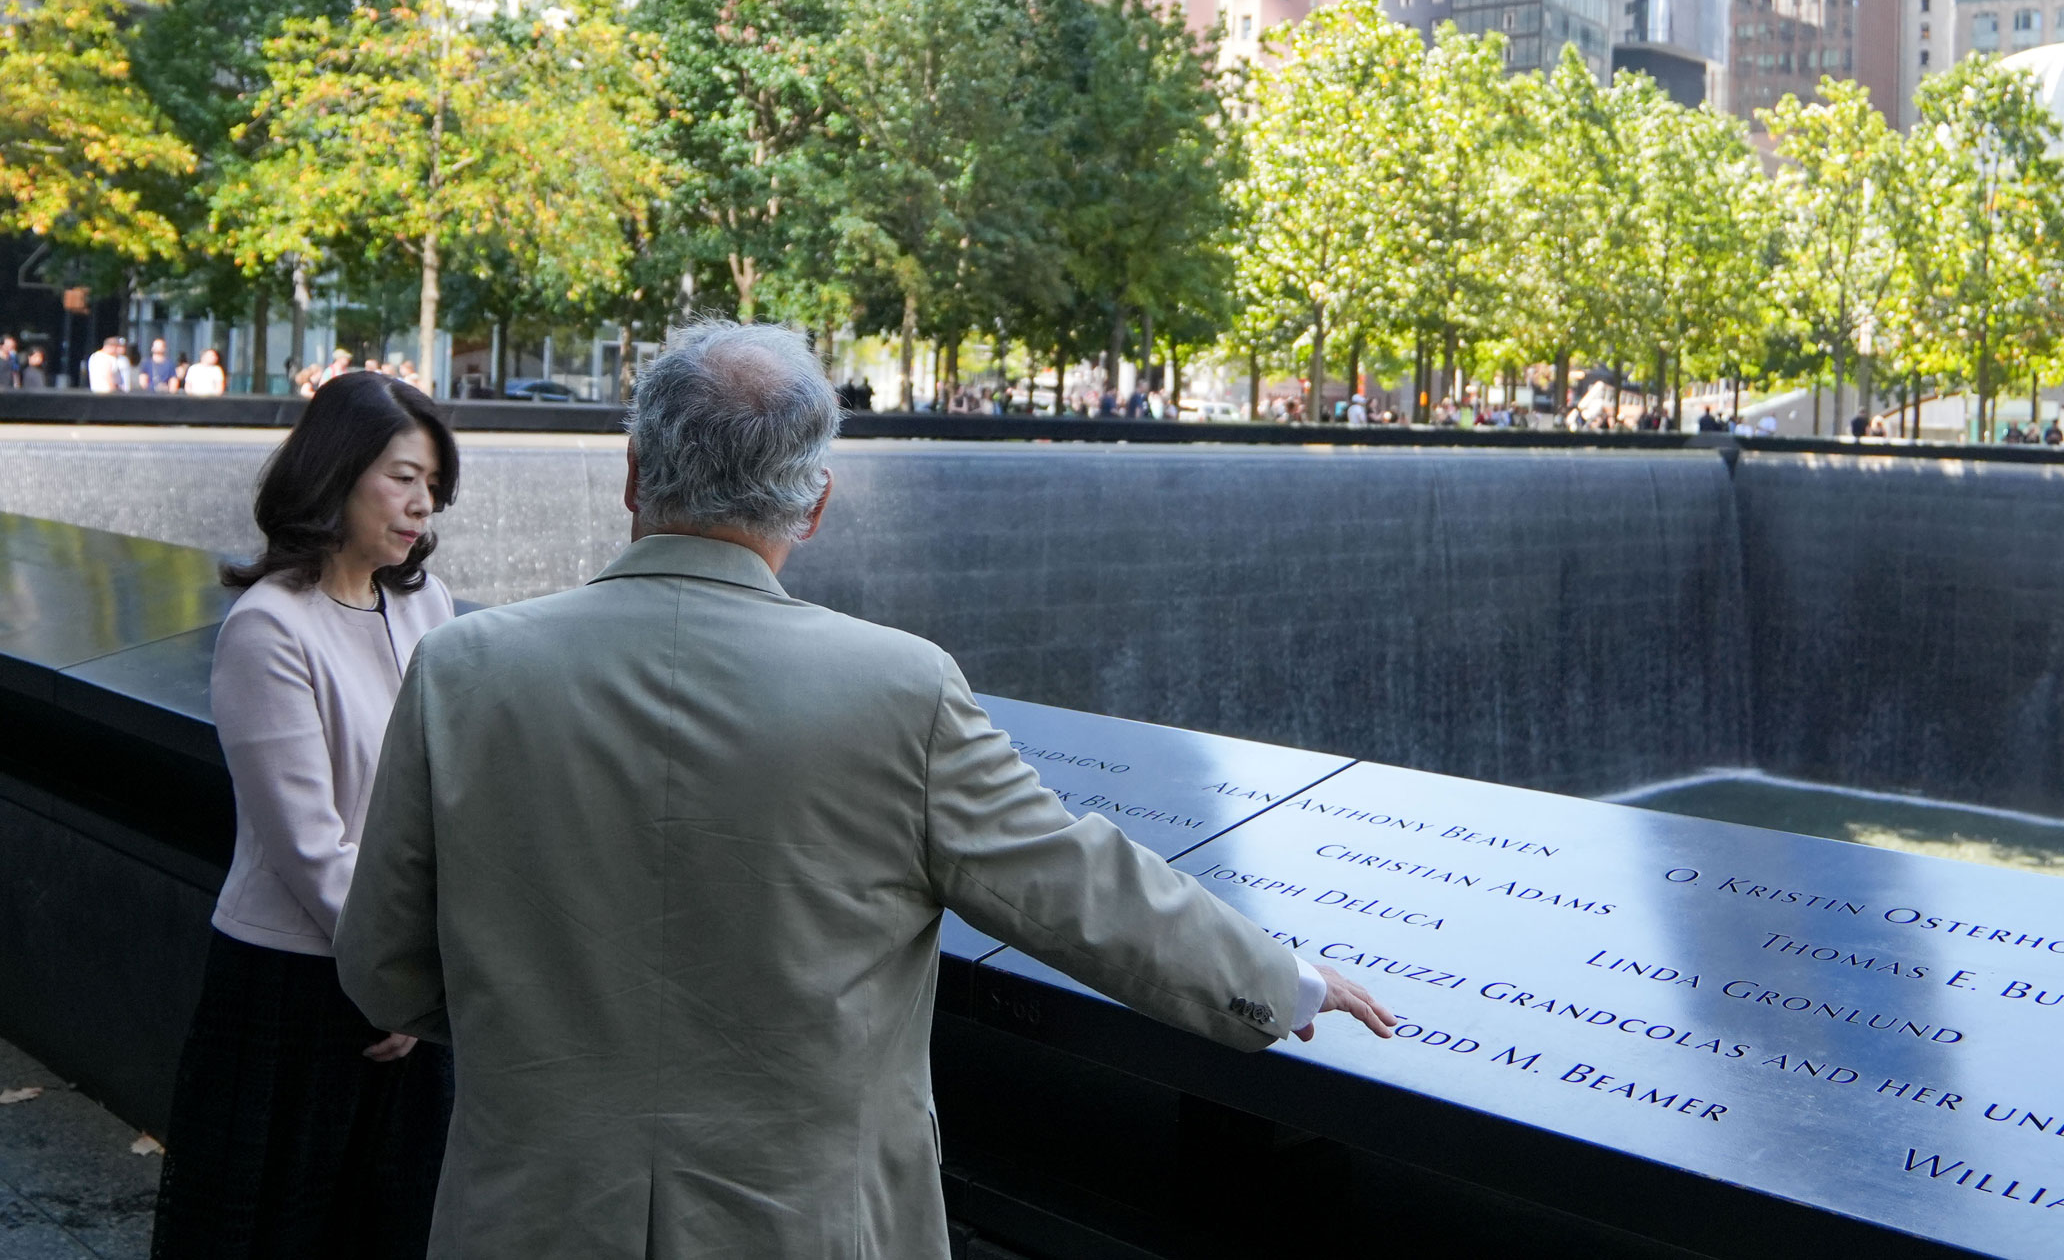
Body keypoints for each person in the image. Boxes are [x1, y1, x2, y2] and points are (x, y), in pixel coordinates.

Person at [338, 324, 1396, 1258]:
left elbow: (383, 964)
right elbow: (1075, 887)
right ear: (815, 499)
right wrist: (1279, 981)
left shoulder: (463, 669)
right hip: (804, 1220)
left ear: (630, 475)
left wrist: (541, 1031)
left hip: (534, 1210)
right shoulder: (897, 688)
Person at [152, 373, 460, 1259]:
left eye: (431, 486)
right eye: (403, 476)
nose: (419, 504)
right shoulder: (270, 626)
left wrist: (420, 972)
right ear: (338, 470)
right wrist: (395, 970)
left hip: (405, 981)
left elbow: (446, 794)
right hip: (294, 988)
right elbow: (307, 842)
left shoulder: (424, 604)